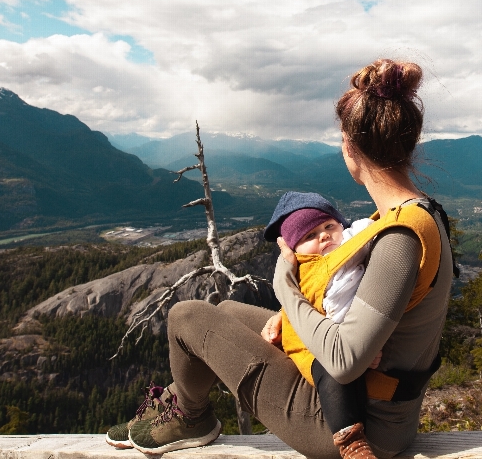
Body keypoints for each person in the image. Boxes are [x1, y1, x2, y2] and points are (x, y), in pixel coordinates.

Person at [115, 58, 454, 459]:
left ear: (349, 146)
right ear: (410, 142)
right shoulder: (416, 214)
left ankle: (190, 416)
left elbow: (344, 361)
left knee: (187, 317)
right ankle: (177, 403)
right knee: (226, 311)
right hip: (373, 401)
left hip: (359, 424)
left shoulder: (400, 237)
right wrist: (292, 309)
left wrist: (286, 288)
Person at [261, 192, 378, 457]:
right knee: (333, 374)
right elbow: (305, 302)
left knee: (349, 371)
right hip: (313, 344)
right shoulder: (306, 271)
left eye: (329, 226)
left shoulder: (351, 247)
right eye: (309, 236)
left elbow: (368, 229)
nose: (324, 236)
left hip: (355, 334)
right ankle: (351, 443)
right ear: (295, 250)